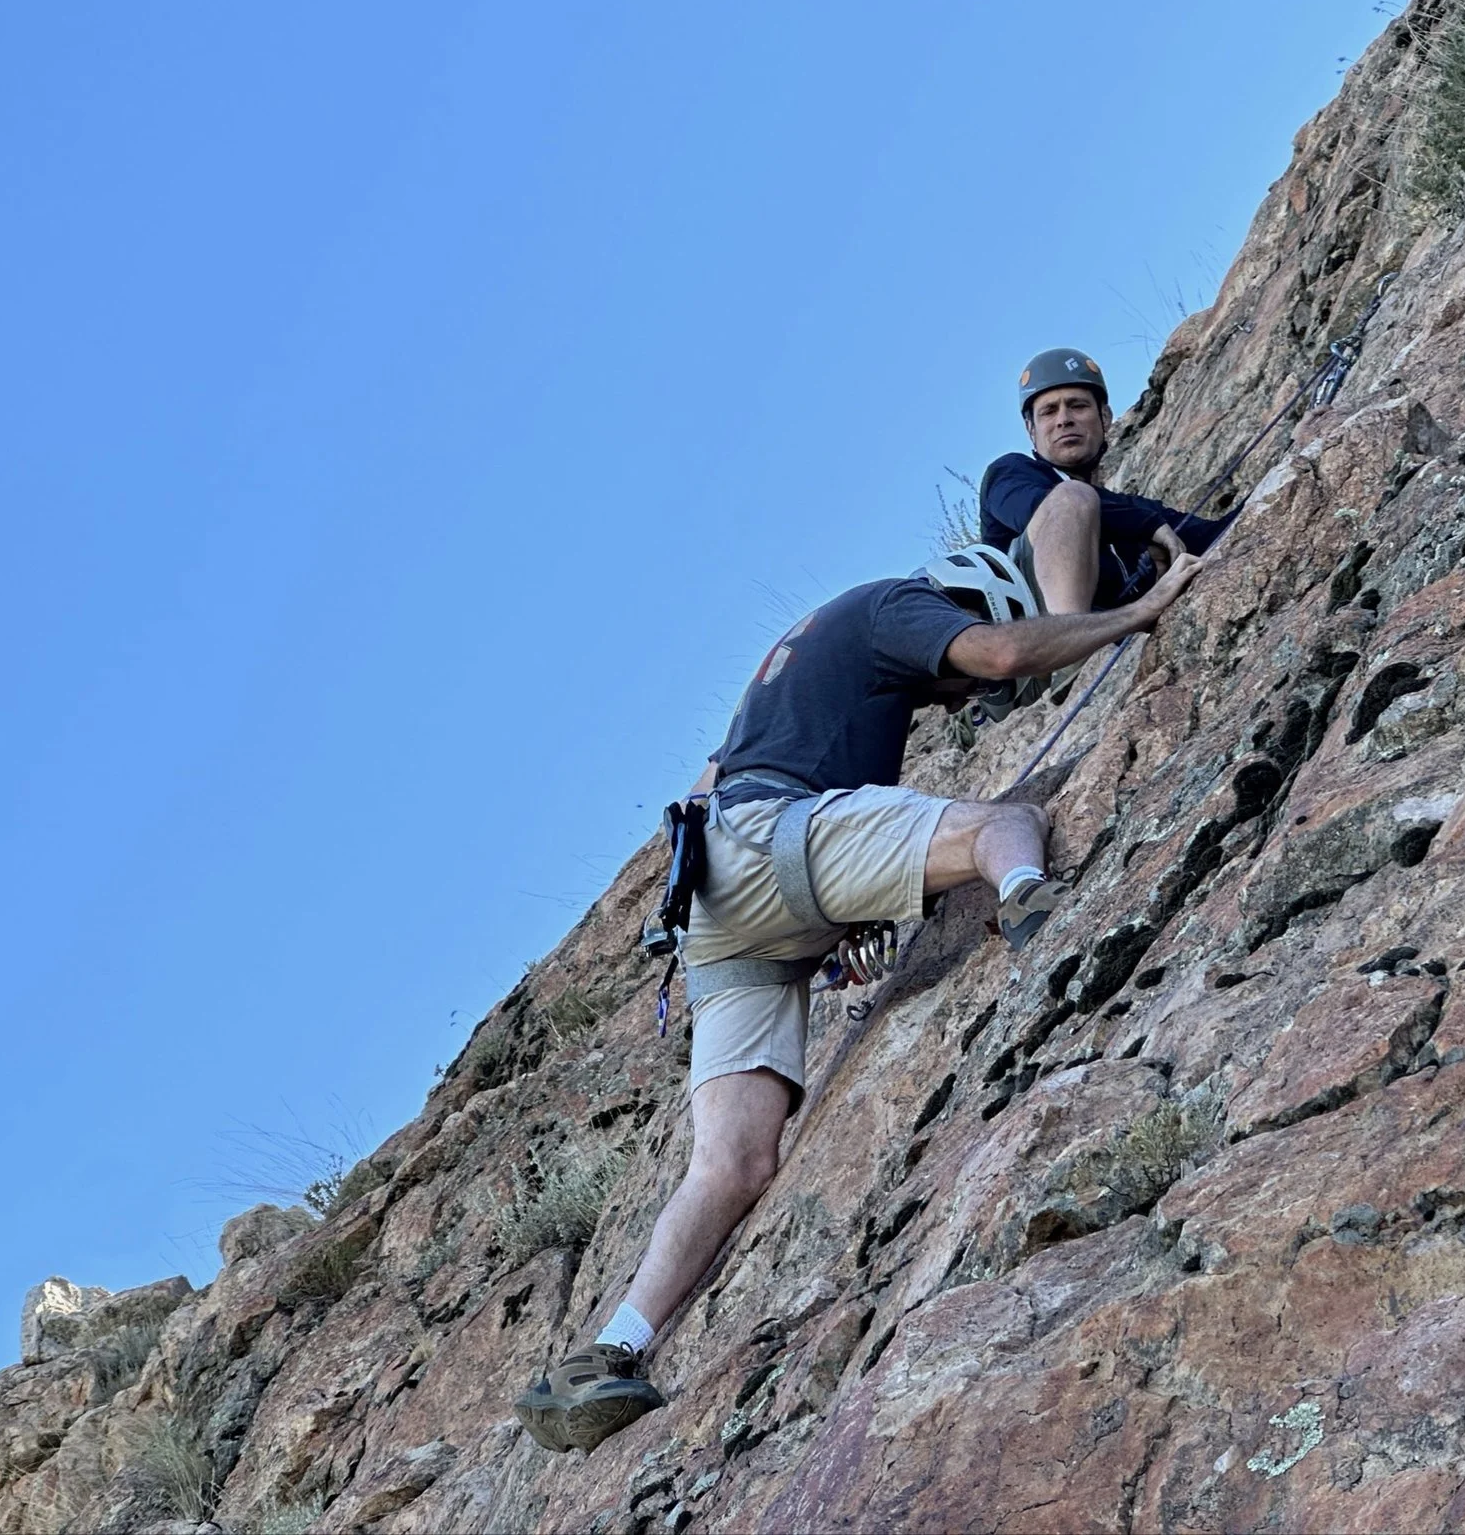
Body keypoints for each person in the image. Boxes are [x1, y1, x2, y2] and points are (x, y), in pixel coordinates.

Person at [512, 539, 1207, 1456]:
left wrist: (841, 905)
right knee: (1009, 822)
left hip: (715, 906)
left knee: (734, 1162)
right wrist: (1142, 608)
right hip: (775, 841)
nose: (959, 700)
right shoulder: (900, 604)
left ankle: (613, 1347)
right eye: (955, 681)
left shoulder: (795, 662)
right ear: (969, 596)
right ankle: (1042, 918)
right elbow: (998, 654)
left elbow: (700, 789)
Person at [979, 348, 1234, 620]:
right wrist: (1147, 525)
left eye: (1078, 405)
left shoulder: (1127, 508)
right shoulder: (1007, 474)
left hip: (1106, 636)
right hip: (1033, 639)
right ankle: (1070, 632)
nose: (1064, 420)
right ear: (1032, 431)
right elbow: (1044, 510)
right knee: (1071, 499)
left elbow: (1221, 533)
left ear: (1105, 417)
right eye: (1048, 412)